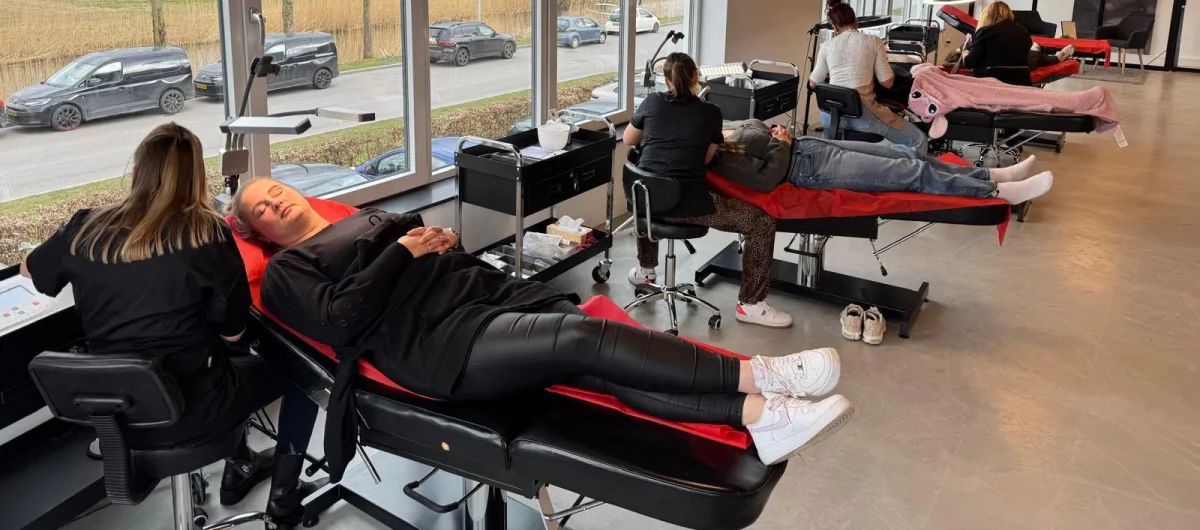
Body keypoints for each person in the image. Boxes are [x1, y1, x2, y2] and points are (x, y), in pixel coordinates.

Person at [226, 182, 854, 469]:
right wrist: (403, 254)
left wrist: (437, 243)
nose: (274, 201)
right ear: (258, 232)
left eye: (274, 189)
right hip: (436, 342)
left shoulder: (356, 217)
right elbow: (341, 320)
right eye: (261, 209)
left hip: (482, 295)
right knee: (582, 339)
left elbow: (427, 256)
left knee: (596, 368)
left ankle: (759, 417)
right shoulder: (286, 271)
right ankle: (758, 374)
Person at [21, 124, 320, 530]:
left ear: (137, 170)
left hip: (116, 411)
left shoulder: (84, 226)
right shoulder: (207, 231)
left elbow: (31, 270)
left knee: (217, 365)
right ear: (196, 177)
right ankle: (283, 498)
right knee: (303, 371)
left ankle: (242, 463)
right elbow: (233, 332)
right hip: (195, 410)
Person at [622, 52, 794, 329]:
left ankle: (646, 270)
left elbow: (629, 139)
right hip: (688, 205)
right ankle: (751, 305)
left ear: (666, 81)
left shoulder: (651, 101)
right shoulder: (710, 112)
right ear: (695, 77)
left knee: (650, 184)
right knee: (761, 223)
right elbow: (705, 160)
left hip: (644, 200)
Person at [713, 121, 1054, 205]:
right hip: (808, 169)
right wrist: (781, 142)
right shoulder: (720, 156)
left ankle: (992, 173)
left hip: (812, 145)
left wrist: (776, 133)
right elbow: (766, 179)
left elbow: (760, 132)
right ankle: (997, 192)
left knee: (909, 155)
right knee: (911, 173)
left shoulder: (723, 126)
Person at [810, 0, 928, 150]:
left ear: (834, 27)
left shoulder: (827, 46)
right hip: (861, 116)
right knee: (919, 139)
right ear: (856, 22)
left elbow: (813, 83)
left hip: (829, 116)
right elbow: (887, 83)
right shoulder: (873, 41)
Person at [958, 1, 1075, 74]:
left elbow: (970, 63)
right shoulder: (1023, 31)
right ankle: (1054, 57)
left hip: (990, 77)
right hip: (1019, 78)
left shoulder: (984, 32)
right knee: (1033, 56)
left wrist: (965, 53)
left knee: (1033, 56)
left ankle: (1049, 55)